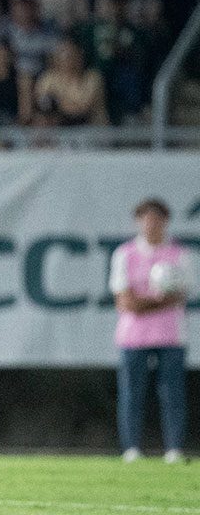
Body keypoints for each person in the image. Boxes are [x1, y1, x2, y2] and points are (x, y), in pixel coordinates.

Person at [110, 199, 193, 464]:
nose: (151, 225)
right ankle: (131, 448)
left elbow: (180, 296)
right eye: (146, 219)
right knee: (132, 393)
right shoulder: (125, 253)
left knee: (172, 393)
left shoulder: (180, 255)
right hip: (133, 336)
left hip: (170, 334)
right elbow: (125, 302)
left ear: (165, 222)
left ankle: (174, 449)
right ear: (138, 222)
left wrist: (142, 302)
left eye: (157, 220)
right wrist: (158, 300)